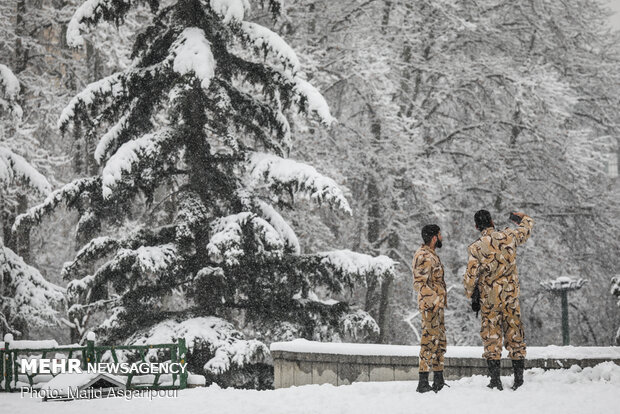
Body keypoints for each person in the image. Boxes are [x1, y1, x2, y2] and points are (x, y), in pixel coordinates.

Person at [463, 210, 534, 390]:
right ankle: (518, 379)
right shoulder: (509, 236)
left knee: (492, 337)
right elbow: (526, 228)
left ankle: (495, 380)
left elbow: (470, 278)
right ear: (492, 221)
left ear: (476, 226)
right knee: (515, 335)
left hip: (490, 300)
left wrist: (471, 294)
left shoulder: (476, 247)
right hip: (511, 297)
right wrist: (521, 218)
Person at [412, 224, 447, 393]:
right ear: (434, 238)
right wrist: (435, 300)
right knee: (428, 342)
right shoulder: (424, 256)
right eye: (440, 235)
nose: (442, 238)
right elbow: (419, 284)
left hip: (437, 307)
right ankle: (423, 382)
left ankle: (439, 380)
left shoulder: (432, 255)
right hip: (430, 307)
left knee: (439, 343)